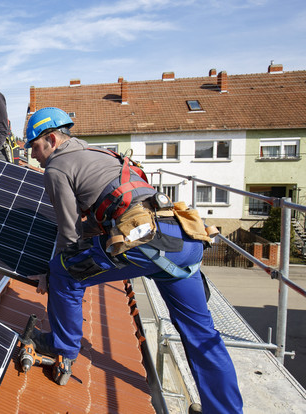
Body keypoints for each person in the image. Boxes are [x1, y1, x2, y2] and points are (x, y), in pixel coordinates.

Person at [24, 107, 243, 413]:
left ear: (51, 139)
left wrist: (51, 268)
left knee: (64, 271)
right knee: (203, 336)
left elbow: (69, 232)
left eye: (34, 146)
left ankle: (63, 347)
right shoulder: (98, 153)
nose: (33, 155)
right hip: (182, 237)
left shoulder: (57, 168)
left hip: (145, 243)